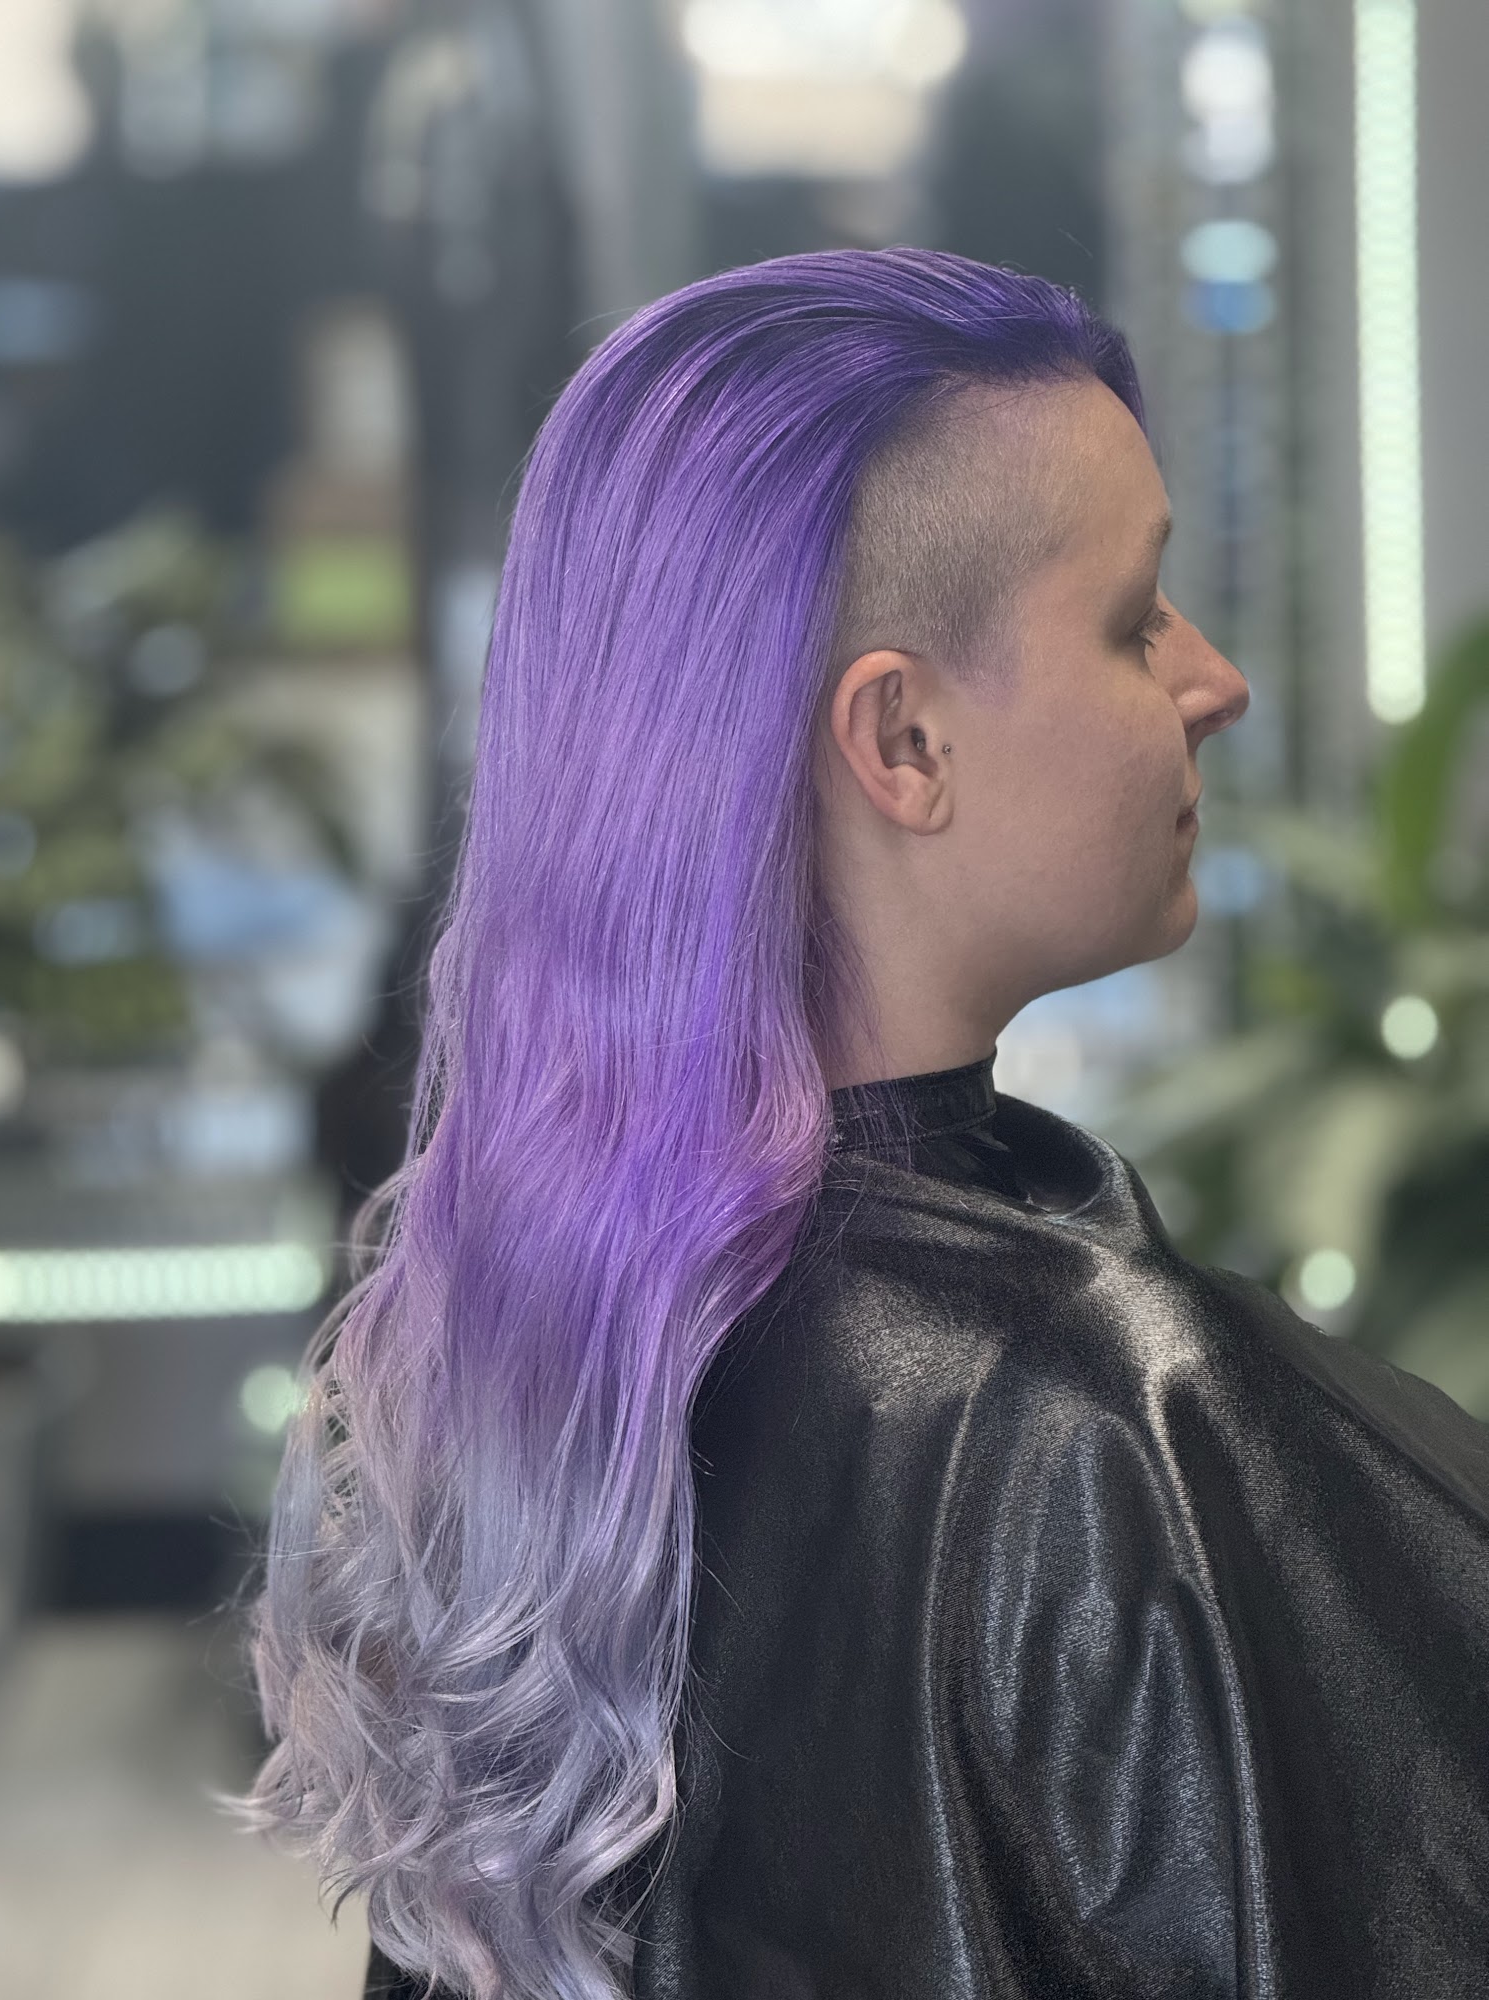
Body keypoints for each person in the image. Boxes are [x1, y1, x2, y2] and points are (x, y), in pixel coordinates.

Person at [219, 250, 1489, 2000]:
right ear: (903, 740)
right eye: (1135, 621)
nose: (1215, 679)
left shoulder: (502, 1363)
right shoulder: (1106, 1428)